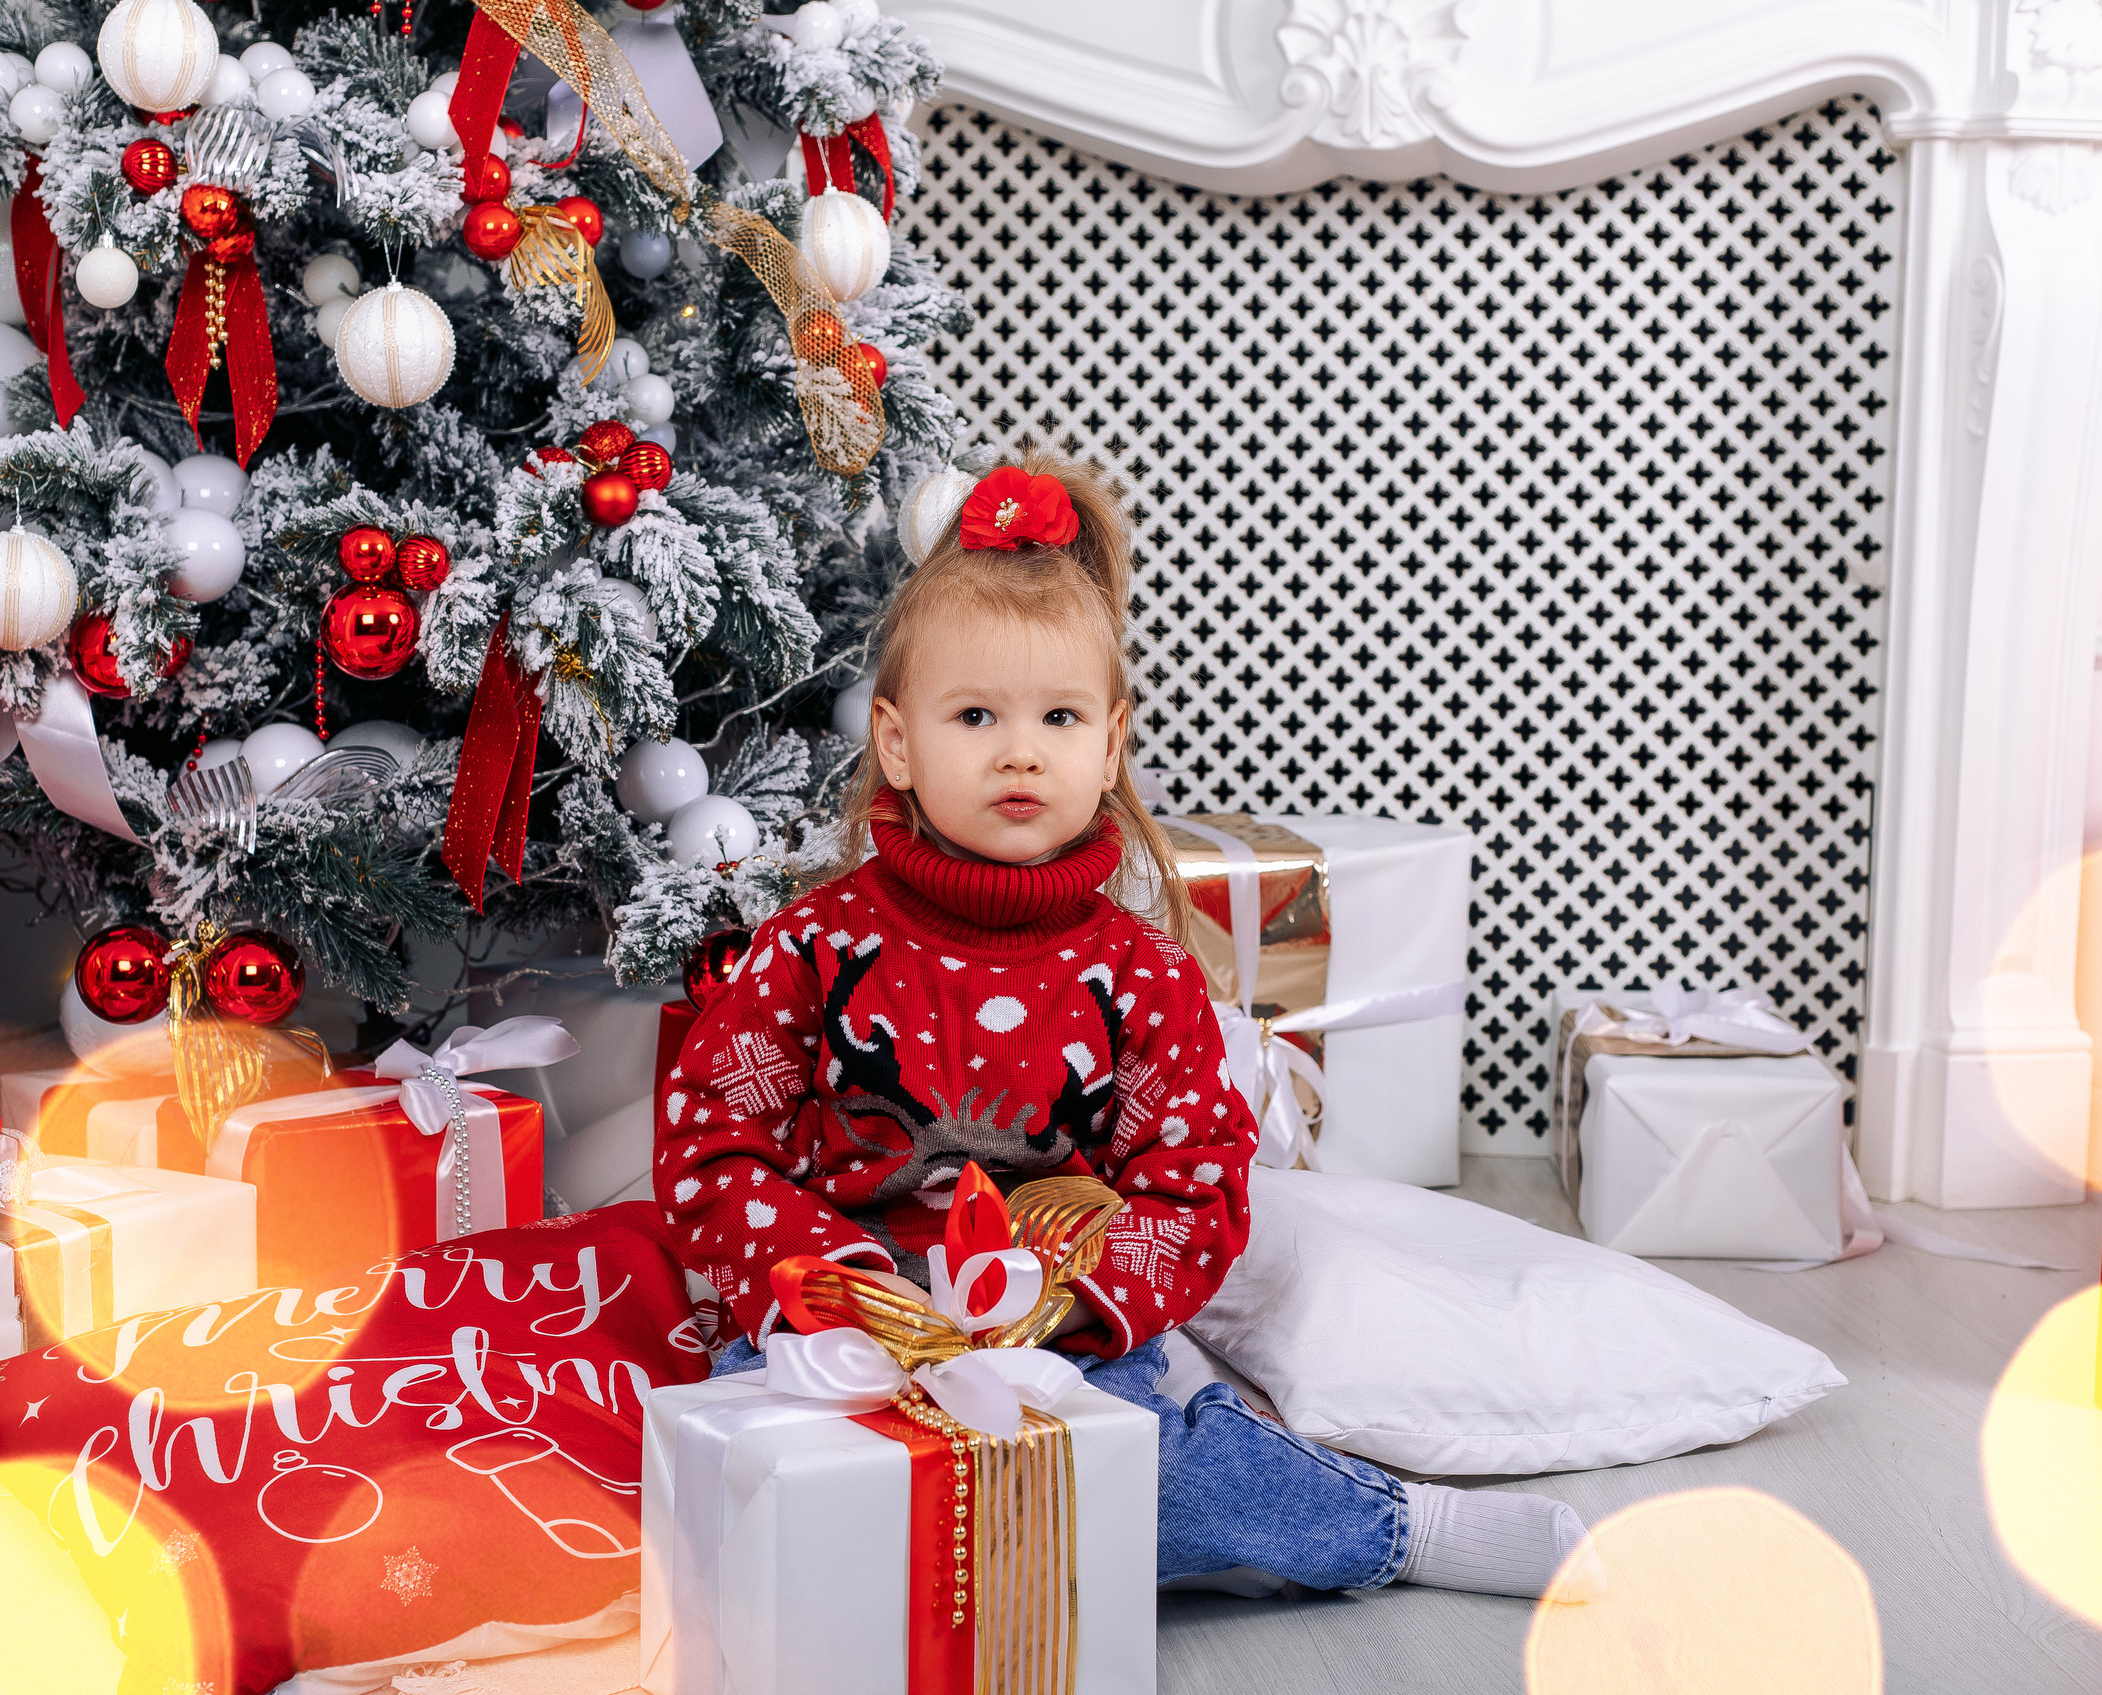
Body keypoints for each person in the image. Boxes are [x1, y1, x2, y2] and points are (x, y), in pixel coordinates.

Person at [653, 452, 1594, 1600]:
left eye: (1057, 717)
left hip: (1058, 1328)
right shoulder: (814, 948)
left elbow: (1194, 1179)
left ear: (1108, 746)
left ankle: (1395, 1531)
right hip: (836, 1320)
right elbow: (713, 1140)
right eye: (974, 716)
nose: (1018, 750)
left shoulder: (1138, 974)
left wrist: (1078, 1304)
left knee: (1147, 1479)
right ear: (897, 742)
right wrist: (833, 1277)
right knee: (791, 1489)